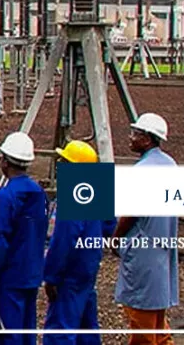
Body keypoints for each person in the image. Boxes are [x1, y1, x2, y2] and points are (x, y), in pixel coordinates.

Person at [0, 131, 49, 345]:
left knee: (8, 334)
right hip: (31, 274)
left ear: (6, 162)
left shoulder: (6, 196)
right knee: (26, 332)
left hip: (9, 277)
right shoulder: (39, 193)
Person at [114, 113, 179, 345]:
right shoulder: (170, 165)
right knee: (157, 321)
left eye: (136, 134)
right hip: (162, 251)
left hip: (142, 252)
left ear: (148, 139)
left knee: (141, 319)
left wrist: (116, 238)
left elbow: (131, 212)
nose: (130, 138)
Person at [44, 139, 117, 345]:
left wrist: (51, 276)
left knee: (61, 328)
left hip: (70, 272)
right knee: (86, 326)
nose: (60, 166)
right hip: (88, 268)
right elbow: (109, 226)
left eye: (64, 161)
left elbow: (64, 241)